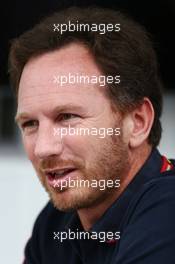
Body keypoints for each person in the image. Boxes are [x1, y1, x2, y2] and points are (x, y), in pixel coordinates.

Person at [9, 6, 175, 264]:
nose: (43, 148)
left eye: (67, 117)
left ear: (138, 123)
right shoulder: (56, 223)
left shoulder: (168, 212)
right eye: (30, 123)